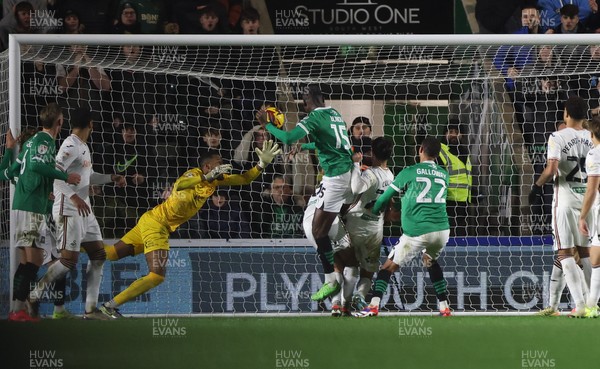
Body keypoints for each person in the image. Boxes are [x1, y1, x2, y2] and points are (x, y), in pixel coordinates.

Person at [98, 140, 281, 318]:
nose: (223, 165)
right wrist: (205, 177)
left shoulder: (216, 181)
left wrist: (261, 164)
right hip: (157, 225)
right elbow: (180, 185)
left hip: (151, 220)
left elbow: (244, 179)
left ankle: (75, 247)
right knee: (156, 276)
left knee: (112, 253)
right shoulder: (193, 174)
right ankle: (109, 307)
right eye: (219, 163)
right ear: (208, 167)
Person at [258, 84, 354, 302]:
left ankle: (331, 281)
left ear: (306, 99)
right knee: (323, 226)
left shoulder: (312, 118)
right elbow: (331, 142)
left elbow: (289, 138)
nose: (303, 102)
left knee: (318, 231)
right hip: (343, 174)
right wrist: (306, 147)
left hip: (336, 179)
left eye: (303, 98)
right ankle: (342, 254)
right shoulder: (333, 113)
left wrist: (267, 126)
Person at [28, 107, 126, 320]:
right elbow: (55, 176)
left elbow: (89, 177)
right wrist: (74, 198)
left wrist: (111, 177)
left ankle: (90, 311)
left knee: (99, 255)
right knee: (68, 261)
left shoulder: (83, 146)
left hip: (85, 208)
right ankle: (34, 293)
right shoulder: (70, 145)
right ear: (91, 124)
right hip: (68, 208)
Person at [355, 137, 452, 317]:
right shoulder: (444, 174)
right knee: (429, 260)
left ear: (420, 149)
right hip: (442, 231)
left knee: (387, 268)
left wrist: (374, 212)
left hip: (418, 232)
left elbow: (384, 198)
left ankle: (373, 305)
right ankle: (444, 306)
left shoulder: (410, 171)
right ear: (438, 155)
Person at [8, 103, 81, 322]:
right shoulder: (44, 141)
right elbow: (36, 166)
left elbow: (12, 172)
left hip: (25, 202)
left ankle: (18, 310)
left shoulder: (30, 142)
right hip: (30, 207)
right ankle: (19, 309)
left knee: (28, 261)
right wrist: (64, 177)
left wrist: (41, 187)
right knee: (36, 261)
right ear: (59, 122)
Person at [530, 96, 593, 317]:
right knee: (585, 253)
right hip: (588, 201)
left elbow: (552, 169)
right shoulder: (593, 137)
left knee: (564, 252)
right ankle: (590, 303)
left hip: (565, 201)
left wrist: (537, 187)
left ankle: (581, 306)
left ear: (566, 113)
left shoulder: (557, 136)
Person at [344, 137, 395, 311]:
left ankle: (343, 303)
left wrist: (356, 165)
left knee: (350, 265)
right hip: (375, 228)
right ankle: (360, 295)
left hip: (356, 224)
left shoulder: (370, 174)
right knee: (368, 269)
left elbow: (356, 188)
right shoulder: (390, 176)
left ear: (372, 153)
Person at [578, 116, 600, 317]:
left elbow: (592, 189)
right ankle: (592, 303)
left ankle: (592, 304)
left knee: (596, 256)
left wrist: (582, 216)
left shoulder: (594, 154)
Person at [438, 121, 472, 237]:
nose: (453, 135)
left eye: (457, 132)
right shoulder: (440, 151)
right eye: (450, 132)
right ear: (444, 134)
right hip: (447, 202)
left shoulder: (464, 152)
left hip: (463, 203)